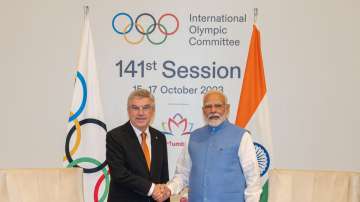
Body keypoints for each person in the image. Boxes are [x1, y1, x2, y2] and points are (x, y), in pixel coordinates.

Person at [165, 90, 262, 202]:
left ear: (227, 108)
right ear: (203, 110)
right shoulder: (193, 137)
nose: (213, 110)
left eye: (218, 106)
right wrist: (169, 189)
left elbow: (253, 178)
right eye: (208, 106)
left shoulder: (242, 136)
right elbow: (182, 174)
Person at [106, 89, 170, 202]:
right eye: (135, 108)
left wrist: (163, 193)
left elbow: (163, 178)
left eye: (146, 108)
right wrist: (151, 189)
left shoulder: (160, 137)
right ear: (128, 110)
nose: (141, 113)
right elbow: (119, 174)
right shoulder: (115, 136)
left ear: (153, 111)